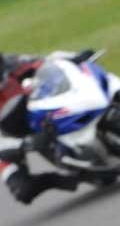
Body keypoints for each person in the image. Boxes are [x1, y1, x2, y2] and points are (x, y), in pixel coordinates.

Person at [0, 51, 92, 205]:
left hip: (36, 110)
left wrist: (74, 58)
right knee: (23, 191)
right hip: (8, 138)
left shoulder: (12, 64)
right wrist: (25, 144)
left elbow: (47, 62)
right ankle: (57, 179)